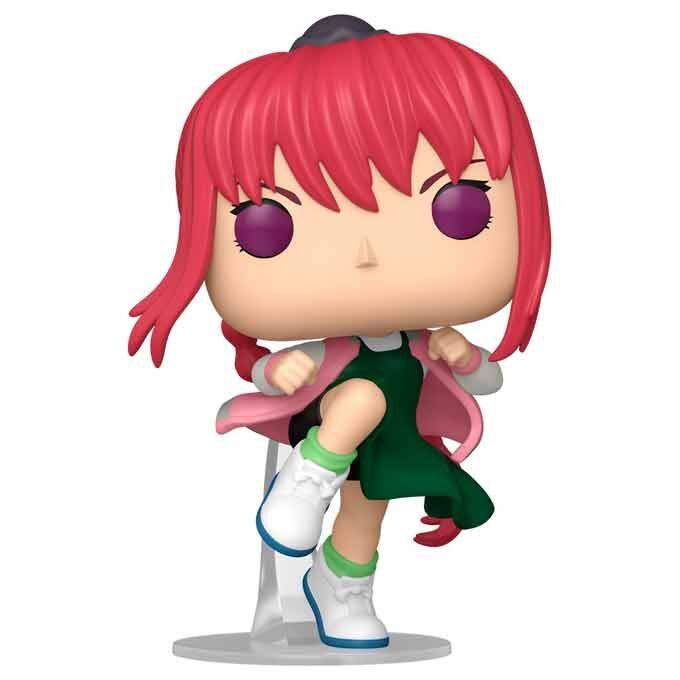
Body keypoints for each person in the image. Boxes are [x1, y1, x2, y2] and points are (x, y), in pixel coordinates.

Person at [129, 14, 551, 649]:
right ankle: (307, 477)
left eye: (457, 208)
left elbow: (488, 382)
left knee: (366, 513)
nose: (365, 254)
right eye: (267, 227)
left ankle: (342, 584)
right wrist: (275, 367)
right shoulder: (336, 350)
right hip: (324, 418)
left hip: (395, 440)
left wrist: (465, 356)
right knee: (361, 396)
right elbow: (264, 371)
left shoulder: (422, 342)